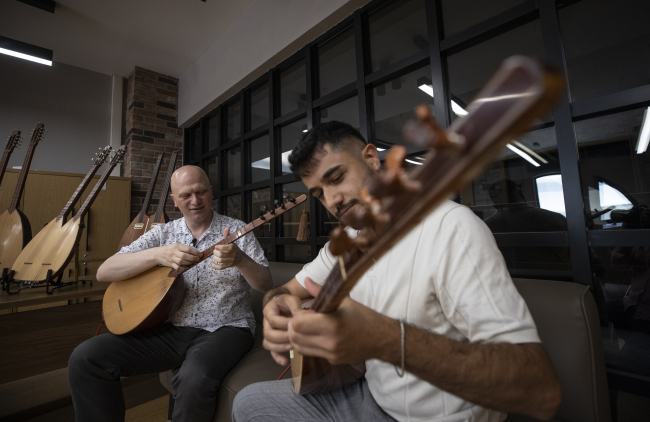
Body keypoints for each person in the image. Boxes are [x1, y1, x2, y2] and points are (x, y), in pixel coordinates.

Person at [232, 122, 562, 422]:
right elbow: (284, 290)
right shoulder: (348, 240)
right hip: (367, 396)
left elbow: (540, 391)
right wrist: (274, 308)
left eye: (337, 178)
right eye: (318, 193)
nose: (332, 200)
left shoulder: (451, 228)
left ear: (372, 159)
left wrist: (387, 339)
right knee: (248, 403)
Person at [68, 165, 272, 422]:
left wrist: (240, 259)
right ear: (174, 201)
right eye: (186, 195)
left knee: (193, 378)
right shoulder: (162, 233)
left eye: (201, 192)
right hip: (173, 328)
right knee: (87, 357)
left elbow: (265, 284)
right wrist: (157, 255)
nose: (195, 201)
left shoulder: (237, 230)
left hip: (227, 327)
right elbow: (105, 271)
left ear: (211, 193)